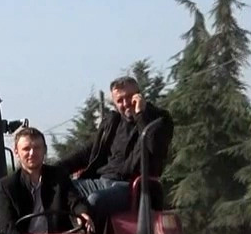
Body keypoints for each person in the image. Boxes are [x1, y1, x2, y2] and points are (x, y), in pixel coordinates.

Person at [56, 75, 174, 223]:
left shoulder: (158, 120)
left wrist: (141, 115)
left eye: (129, 97)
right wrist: (54, 169)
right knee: (57, 188)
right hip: (99, 181)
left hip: (130, 188)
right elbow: (89, 152)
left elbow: (153, 148)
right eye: (119, 101)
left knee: (95, 200)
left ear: (139, 96)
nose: (125, 104)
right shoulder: (112, 122)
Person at [0, 126, 92, 234]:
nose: (32, 153)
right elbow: (7, 227)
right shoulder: (7, 186)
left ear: (44, 150)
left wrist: (82, 213)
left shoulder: (59, 177)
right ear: (16, 152)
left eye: (37, 148)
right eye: (26, 149)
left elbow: (74, 200)